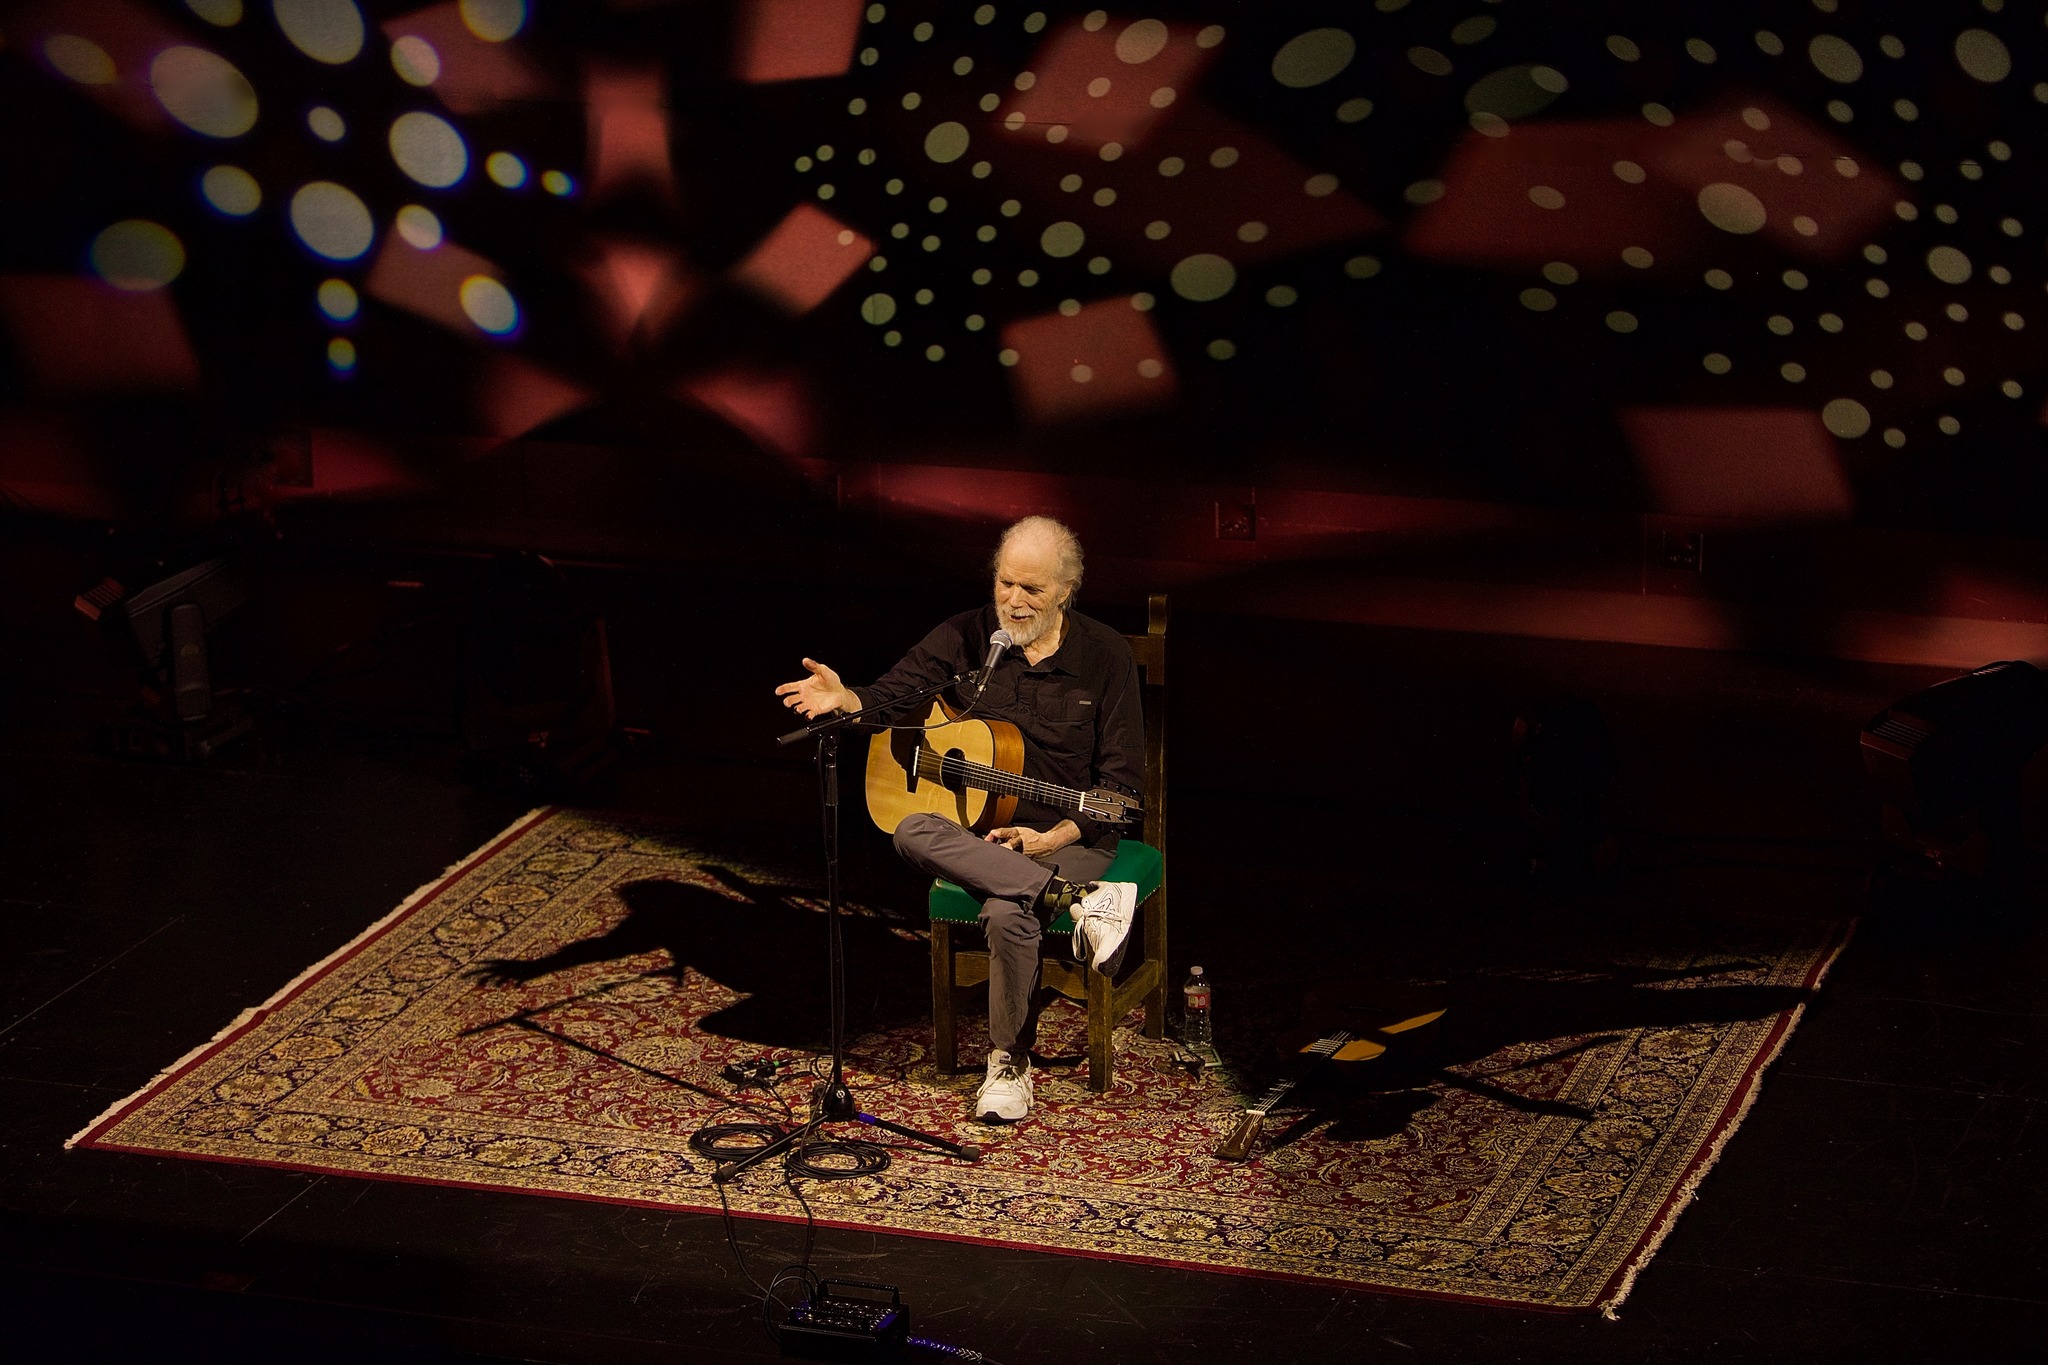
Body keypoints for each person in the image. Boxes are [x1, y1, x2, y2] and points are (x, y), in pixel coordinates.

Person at [775, 516, 1144, 1123]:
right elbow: (893, 694)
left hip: (1070, 832)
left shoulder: (1104, 657)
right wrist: (847, 700)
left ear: (1067, 590)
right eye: (1005, 584)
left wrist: (1048, 837)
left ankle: (1007, 1061)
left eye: (1032, 589)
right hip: (982, 836)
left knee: (1005, 910)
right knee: (912, 827)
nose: (1014, 602)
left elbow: (1121, 791)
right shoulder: (966, 637)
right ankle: (1074, 902)